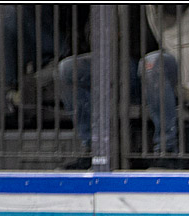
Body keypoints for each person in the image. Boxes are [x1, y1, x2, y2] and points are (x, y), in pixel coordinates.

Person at [57, 6, 181, 168]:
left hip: (166, 58)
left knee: (151, 63)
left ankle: (168, 151)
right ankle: (93, 150)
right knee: (68, 69)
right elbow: (88, 36)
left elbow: (172, 11)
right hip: (122, 66)